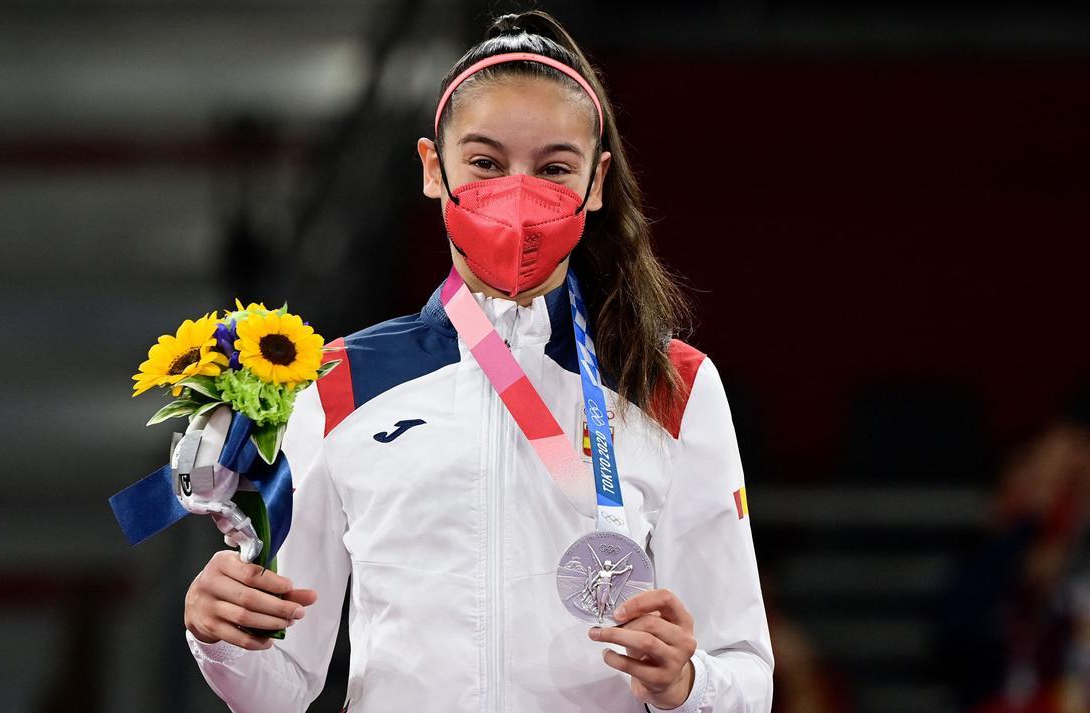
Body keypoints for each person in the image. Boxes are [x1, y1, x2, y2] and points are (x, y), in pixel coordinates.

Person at [182, 10, 773, 712]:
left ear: (596, 181)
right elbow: (280, 686)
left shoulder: (672, 386)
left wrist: (688, 682)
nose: (517, 194)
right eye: (486, 163)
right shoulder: (341, 382)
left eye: (554, 168)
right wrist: (221, 634)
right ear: (434, 168)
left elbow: (747, 675)